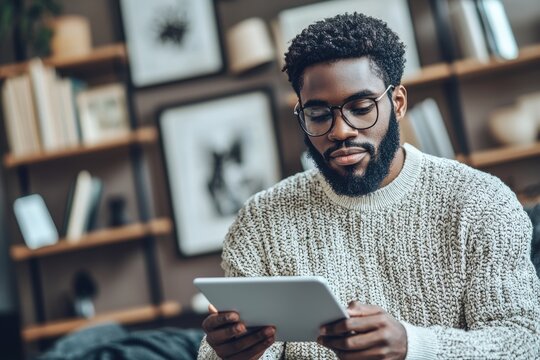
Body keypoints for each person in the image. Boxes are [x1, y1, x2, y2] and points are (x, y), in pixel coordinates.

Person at [198, 12, 540, 359]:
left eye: (361, 108)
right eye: (318, 115)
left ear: (398, 103)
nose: (340, 131)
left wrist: (413, 346)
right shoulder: (262, 221)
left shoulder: (480, 201)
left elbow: (524, 342)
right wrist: (232, 353)